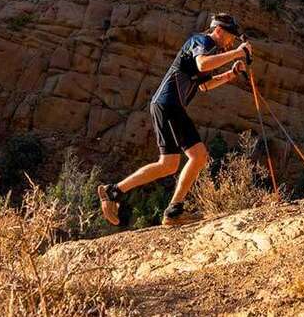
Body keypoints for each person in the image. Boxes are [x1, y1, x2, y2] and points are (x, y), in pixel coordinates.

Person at [98, 13, 251, 227]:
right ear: (219, 31)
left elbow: (204, 84)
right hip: (168, 105)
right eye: (230, 37)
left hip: (171, 107)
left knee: (173, 163)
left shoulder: (210, 49)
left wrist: (229, 75)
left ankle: (115, 192)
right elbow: (202, 64)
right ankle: (171, 210)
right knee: (194, 157)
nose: (232, 41)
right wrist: (237, 54)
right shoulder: (202, 41)